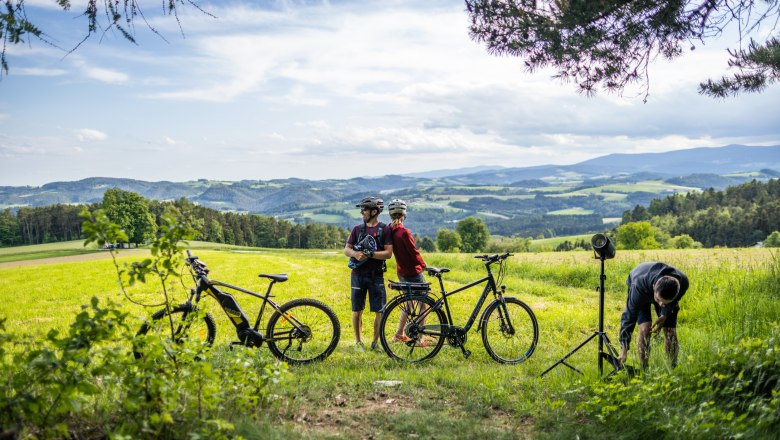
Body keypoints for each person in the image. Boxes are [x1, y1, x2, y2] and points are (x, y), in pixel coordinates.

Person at [617, 262, 689, 368]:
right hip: (642, 285)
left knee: (670, 331)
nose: (660, 305)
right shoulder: (638, 287)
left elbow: (673, 302)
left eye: (664, 303)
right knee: (645, 328)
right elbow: (629, 316)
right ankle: (644, 367)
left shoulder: (683, 282)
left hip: (663, 294)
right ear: (654, 287)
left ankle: (673, 367)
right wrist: (624, 347)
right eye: (658, 300)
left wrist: (664, 314)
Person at [343, 196, 393, 351]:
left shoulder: (384, 229)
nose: (362, 212)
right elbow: (346, 249)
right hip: (357, 275)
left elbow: (388, 253)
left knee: (380, 310)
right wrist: (354, 254)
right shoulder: (357, 229)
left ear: (374, 211)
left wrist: (371, 254)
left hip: (376, 275)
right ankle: (358, 343)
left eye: (364, 209)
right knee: (357, 309)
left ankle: (375, 342)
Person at [386, 199, 428, 344]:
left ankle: (399, 334)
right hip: (414, 273)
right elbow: (414, 252)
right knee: (423, 304)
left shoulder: (390, 230)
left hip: (401, 272)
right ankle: (420, 339)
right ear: (404, 214)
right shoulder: (404, 232)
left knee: (408, 303)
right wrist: (424, 265)